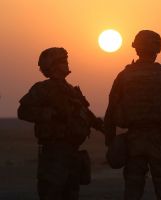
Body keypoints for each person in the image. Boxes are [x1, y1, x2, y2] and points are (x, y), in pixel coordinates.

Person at [104, 30, 161, 200]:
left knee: (133, 187)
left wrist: (111, 142)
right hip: (159, 139)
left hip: (134, 140)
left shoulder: (124, 76)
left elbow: (110, 112)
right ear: (157, 48)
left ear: (136, 48)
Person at [18, 47, 103, 200]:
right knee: (51, 193)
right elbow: (23, 111)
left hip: (72, 154)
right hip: (53, 154)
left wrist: (102, 126)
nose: (66, 64)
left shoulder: (72, 91)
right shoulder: (42, 89)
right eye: (62, 61)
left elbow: (87, 115)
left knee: (71, 194)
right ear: (53, 65)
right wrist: (47, 114)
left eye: (65, 60)